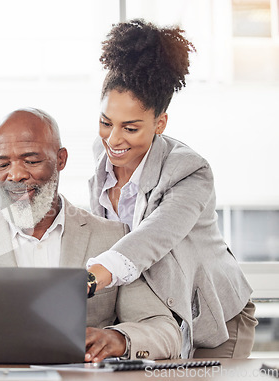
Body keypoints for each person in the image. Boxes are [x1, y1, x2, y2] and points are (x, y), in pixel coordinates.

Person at [0, 108, 182, 363]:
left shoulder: (112, 237)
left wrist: (119, 338)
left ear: (61, 159)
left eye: (30, 160)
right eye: (2, 164)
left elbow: (164, 330)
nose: (15, 175)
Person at [86, 19, 257, 358]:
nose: (114, 139)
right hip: (154, 322)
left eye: (131, 128)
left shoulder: (190, 171)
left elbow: (155, 235)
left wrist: (91, 277)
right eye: (106, 122)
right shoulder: (101, 152)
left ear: (159, 123)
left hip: (217, 322)